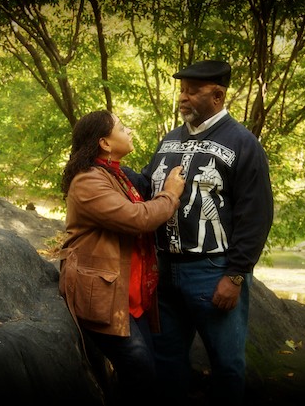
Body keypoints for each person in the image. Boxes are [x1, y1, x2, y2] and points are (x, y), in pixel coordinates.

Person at [140, 60, 274, 404]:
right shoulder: (169, 140)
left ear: (218, 95)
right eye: (182, 90)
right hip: (164, 271)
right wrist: (101, 167)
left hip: (212, 272)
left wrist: (236, 275)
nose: (182, 97)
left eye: (192, 91)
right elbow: (144, 185)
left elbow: (256, 216)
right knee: (166, 360)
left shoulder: (242, 143)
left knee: (226, 365)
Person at [58, 110, 185, 405]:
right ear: (104, 143)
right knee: (140, 370)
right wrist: (170, 194)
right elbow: (138, 218)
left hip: (130, 296)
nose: (129, 131)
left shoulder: (116, 174)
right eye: (122, 128)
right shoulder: (88, 181)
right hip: (104, 297)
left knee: (141, 373)